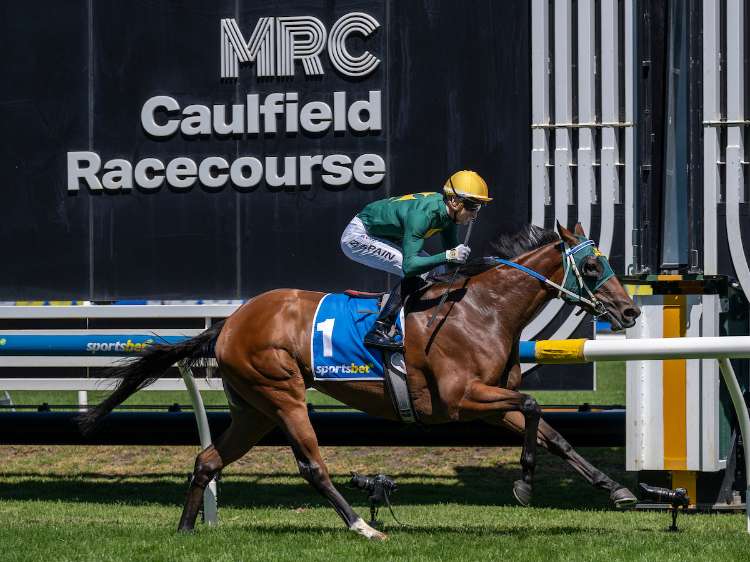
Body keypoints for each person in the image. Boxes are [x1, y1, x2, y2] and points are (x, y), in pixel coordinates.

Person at [340, 170, 492, 350]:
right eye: (472, 207)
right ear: (454, 201)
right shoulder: (424, 215)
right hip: (359, 236)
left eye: (479, 208)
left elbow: (453, 267)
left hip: (385, 235)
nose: (474, 215)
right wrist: (450, 255)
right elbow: (410, 266)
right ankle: (380, 328)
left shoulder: (449, 215)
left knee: (439, 271)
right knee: (422, 271)